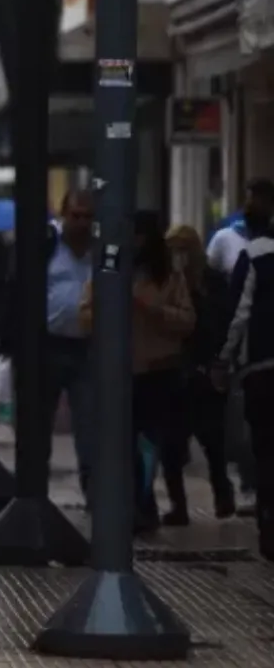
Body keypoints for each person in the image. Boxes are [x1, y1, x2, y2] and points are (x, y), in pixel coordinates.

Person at [80, 210, 195, 534]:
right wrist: (109, 307)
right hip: (118, 372)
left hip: (158, 372)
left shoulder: (169, 275)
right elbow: (85, 315)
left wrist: (153, 309)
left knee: (150, 445)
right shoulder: (110, 267)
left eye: (140, 236)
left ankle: (144, 505)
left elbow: (186, 321)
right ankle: (129, 506)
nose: (134, 243)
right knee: (120, 444)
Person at [2, 190, 95, 500]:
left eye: (87, 216)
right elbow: (16, 291)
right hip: (46, 347)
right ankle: (32, 496)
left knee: (90, 427)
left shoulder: (101, 250)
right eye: (75, 216)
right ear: (63, 215)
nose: (81, 223)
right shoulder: (46, 246)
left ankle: (94, 496)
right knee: (36, 428)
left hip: (87, 348)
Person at [160, 225, 235, 524]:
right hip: (174, 369)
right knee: (172, 445)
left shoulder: (212, 283)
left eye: (183, 249)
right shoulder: (168, 282)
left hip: (204, 370)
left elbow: (223, 321)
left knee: (212, 440)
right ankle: (178, 505)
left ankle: (222, 493)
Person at [215, 178, 274, 558]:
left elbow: (239, 314)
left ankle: (269, 529)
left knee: (267, 450)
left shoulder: (255, 254)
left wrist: (222, 358)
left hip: (264, 371)